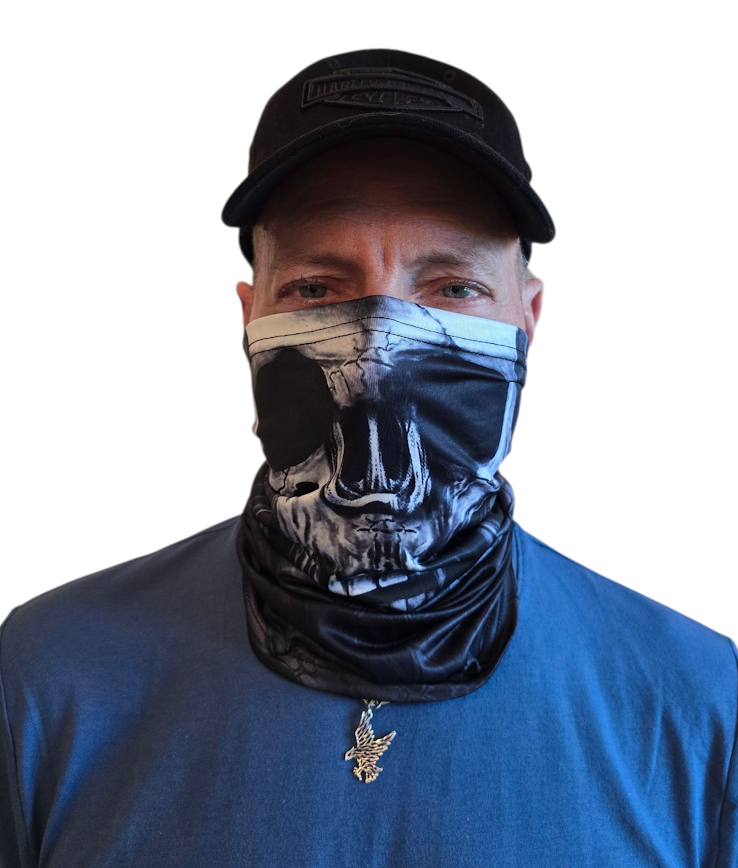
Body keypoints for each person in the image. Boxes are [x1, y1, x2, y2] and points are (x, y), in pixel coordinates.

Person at [0, 47, 735, 868]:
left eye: (453, 288)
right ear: (250, 318)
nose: (381, 334)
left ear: (527, 320)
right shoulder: (45, 677)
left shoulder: (699, 704)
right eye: (317, 289)